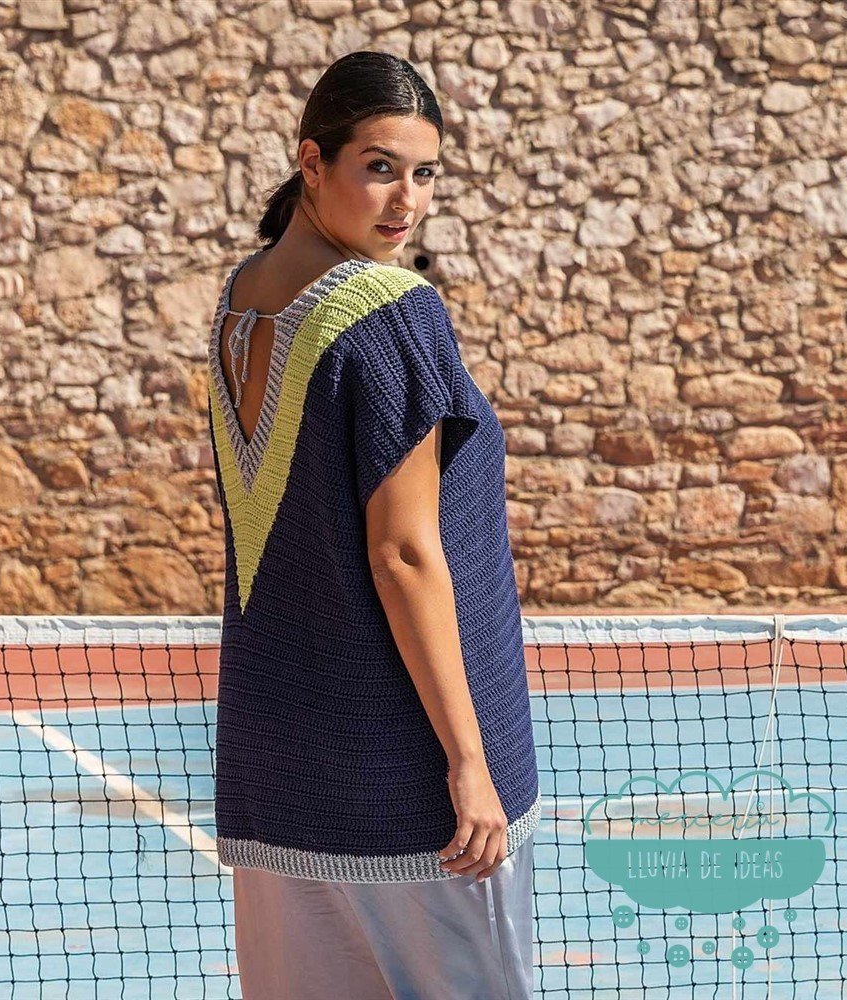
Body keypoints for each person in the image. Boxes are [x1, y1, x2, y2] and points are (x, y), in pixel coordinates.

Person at [206, 50, 541, 999]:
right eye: (380, 167)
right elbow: (401, 555)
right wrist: (468, 763)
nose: (407, 201)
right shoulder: (393, 312)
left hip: (277, 759)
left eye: (424, 173)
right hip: (401, 769)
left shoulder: (242, 296)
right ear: (310, 161)